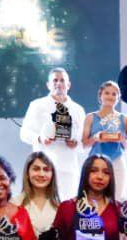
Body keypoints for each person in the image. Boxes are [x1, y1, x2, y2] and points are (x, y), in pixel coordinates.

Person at [20, 68, 86, 199]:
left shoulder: (78, 109)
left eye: (62, 80)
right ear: (48, 84)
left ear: (68, 84)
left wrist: (76, 143)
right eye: (55, 80)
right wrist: (40, 139)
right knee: (43, 205)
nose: (58, 83)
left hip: (68, 168)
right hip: (43, 167)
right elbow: (24, 133)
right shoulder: (37, 105)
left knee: (68, 206)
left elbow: (84, 141)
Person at [81, 80, 127, 199]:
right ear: (100, 95)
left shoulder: (124, 118)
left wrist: (121, 139)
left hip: (117, 162)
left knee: (116, 199)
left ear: (118, 98)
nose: (110, 96)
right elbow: (84, 144)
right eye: (107, 93)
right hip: (95, 162)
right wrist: (95, 138)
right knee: (94, 198)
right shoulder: (90, 117)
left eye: (114, 94)